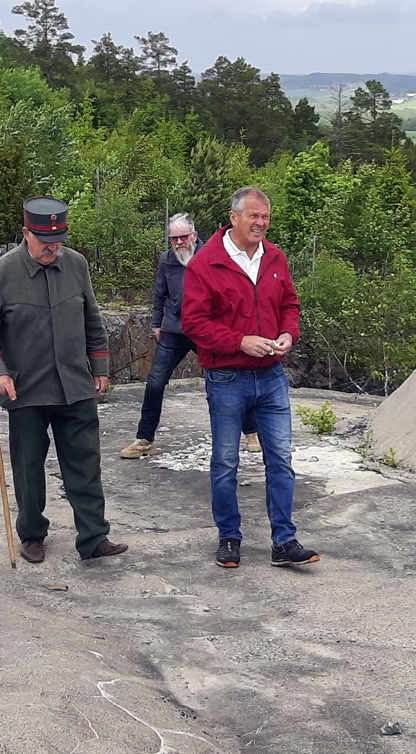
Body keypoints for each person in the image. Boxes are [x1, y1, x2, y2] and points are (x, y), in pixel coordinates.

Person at [0, 196, 127, 563]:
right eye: (45, 243)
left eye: (58, 242)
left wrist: (99, 368)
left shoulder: (76, 265)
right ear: (26, 233)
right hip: (24, 390)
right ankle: (32, 535)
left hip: (75, 386)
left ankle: (93, 538)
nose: (53, 250)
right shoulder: (0, 274)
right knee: (28, 469)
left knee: (86, 465)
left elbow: (92, 319)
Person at [181, 187, 315, 569]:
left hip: (271, 375)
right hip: (226, 378)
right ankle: (229, 538)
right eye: (254, 216)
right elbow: (193, 323)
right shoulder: (205, 263)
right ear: (234, 217)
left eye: (266, 218)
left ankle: (284, 542)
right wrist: (240, 341)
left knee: (281, 460)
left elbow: (290, 303)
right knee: (225, 462)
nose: (260, 223)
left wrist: (289, 332)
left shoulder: (275, 257)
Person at [122, 214, 256, 457]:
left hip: (205, 330)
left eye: (184, 237)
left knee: (227, 379)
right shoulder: (166, 260)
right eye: (174, 238)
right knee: (154, 383)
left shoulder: (214, 256)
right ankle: (144, 440)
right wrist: (157, 323)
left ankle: (251, 432)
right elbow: (159, 294)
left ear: (194, 236)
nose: (179, 242)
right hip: (174, 329)